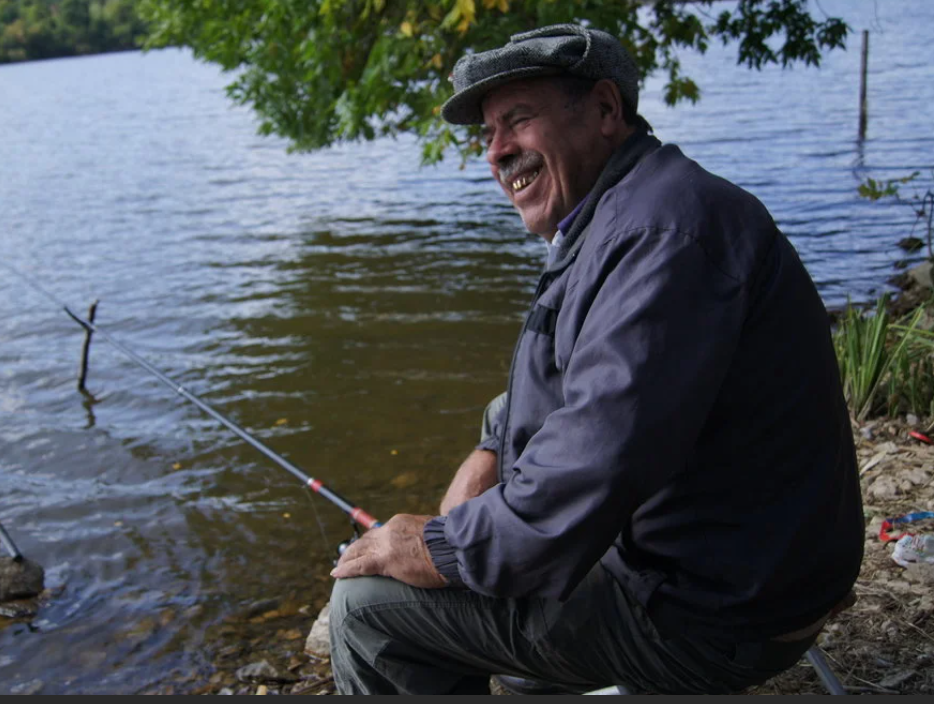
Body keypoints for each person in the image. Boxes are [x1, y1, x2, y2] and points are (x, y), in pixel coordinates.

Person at [328, 24, 864, 695]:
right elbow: (566, 379)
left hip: (715, 610)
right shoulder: (625, 211)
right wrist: (492, 451)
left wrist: (438, 546)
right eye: (487, 133)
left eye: (517, 120)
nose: (496, 152)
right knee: (496, 601)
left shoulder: (663, 235)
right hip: (726, 568)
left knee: (366, 614)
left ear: (607, 110)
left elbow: (593, 462)